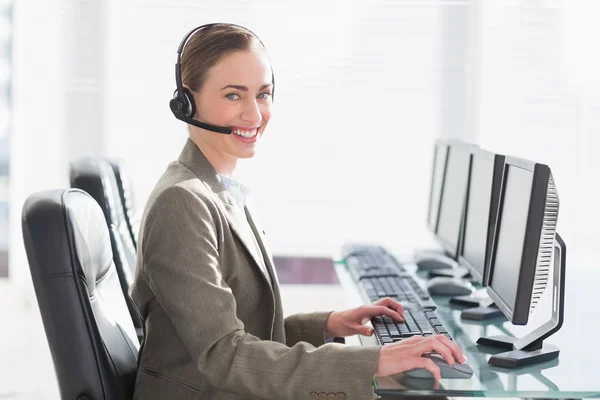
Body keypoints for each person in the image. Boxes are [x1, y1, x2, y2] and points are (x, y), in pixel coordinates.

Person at [130, 23, 466, 400]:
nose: (254, 114)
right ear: (186, 102)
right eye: (233, 96)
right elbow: (223, 355)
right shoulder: (182, 202)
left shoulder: (222, 189)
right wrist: (374, 362)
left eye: (263, 94)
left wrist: (330, 323)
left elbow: (243, 330)